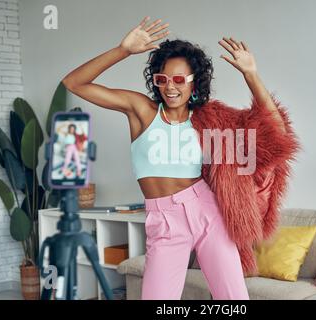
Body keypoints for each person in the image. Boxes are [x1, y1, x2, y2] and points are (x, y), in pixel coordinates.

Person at [62, 16, 295, 300]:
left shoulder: (210, 121)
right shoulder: (142, 110)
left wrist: (251, 75)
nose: (170, 87)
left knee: (234, 299)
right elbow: (74, 83)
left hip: (206, 212)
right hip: (163, 219)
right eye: (162, 79)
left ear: (194, 83)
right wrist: (122, 50)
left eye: (179, 80)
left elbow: (276, 134)